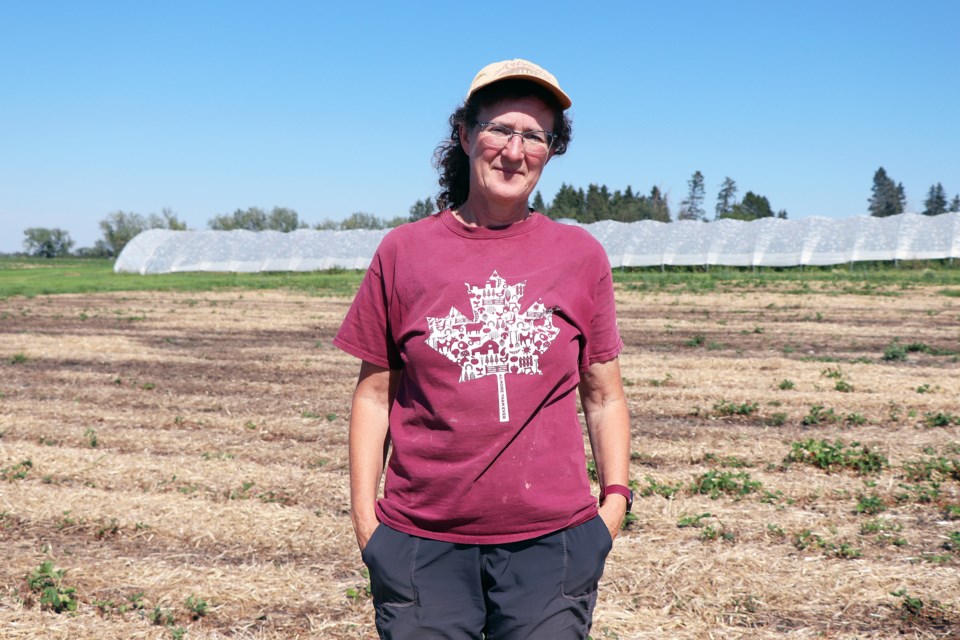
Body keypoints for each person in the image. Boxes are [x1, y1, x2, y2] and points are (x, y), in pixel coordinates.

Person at [333, 58, 632, 640]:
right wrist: (368, 525)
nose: (515, 151)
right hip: (422, 545)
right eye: (500, 129)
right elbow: (373, 398)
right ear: (467, 135)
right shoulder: (404, 252)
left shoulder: (580, 256)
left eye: (535, 136)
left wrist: (613, 506)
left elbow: (604, 395)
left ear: (550, 152)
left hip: (554, 547)